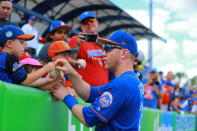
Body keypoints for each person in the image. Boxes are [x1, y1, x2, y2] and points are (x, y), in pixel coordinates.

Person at [53, 30, 144, 130]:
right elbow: (90, 93)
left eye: (108, 48)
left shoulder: (122, 84)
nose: (103, 53)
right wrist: (71, 72)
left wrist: (66, 96)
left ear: (124, 53)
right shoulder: (132, 80)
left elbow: (87, 118)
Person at [68, 11, 108, 86]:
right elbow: (69, 62)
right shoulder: (75, 39)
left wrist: (102, 45)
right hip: (83, 92)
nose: (89, 23)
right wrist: (77, 45)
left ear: (97, 22)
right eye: (85, 22)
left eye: (91, 20)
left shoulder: (104, 43)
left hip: (103, 91)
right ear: (81, 26)